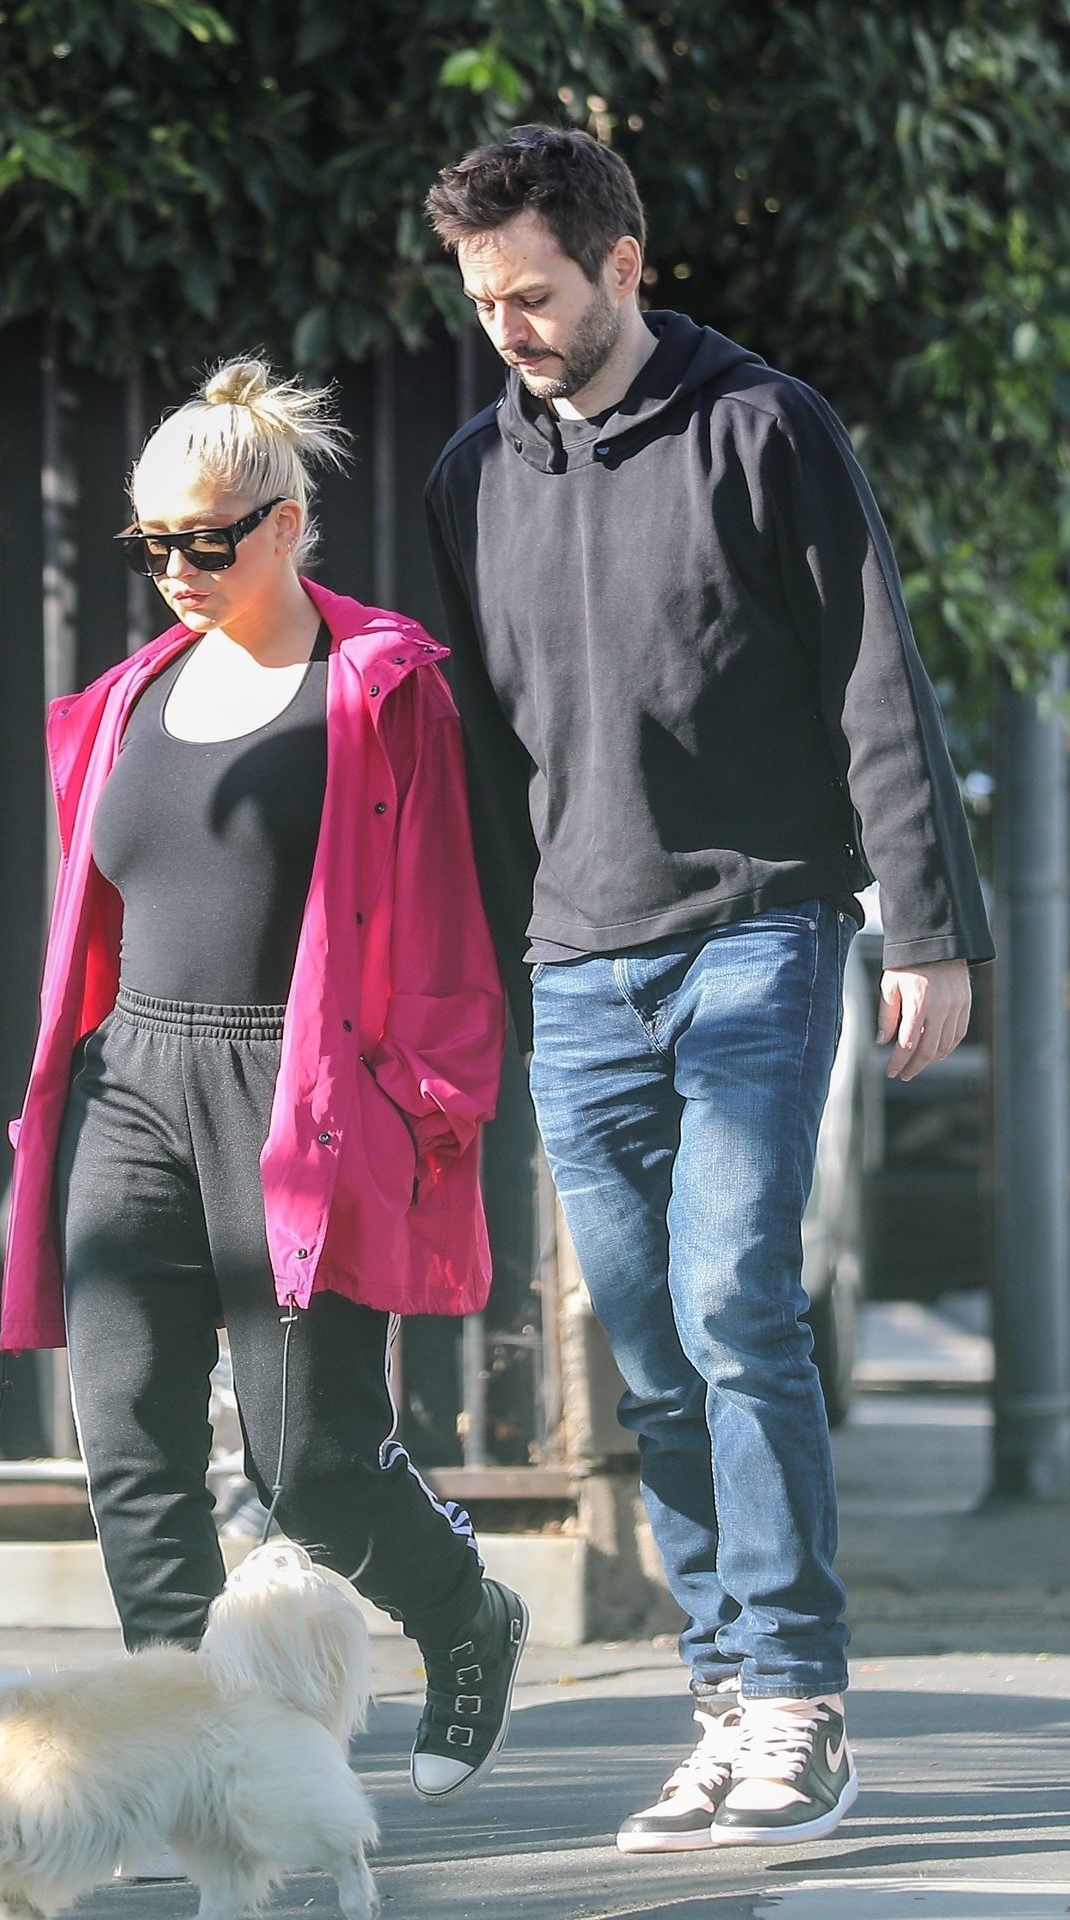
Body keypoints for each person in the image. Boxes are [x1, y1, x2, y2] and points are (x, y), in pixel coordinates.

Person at [423, 125, 992, 1851]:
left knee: (737, 1301)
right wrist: (490, 978)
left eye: (534, 294)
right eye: (484, 302)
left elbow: (876, 675)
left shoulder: (764, 426)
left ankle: (801, 1699)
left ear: (624, 263)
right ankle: (725, 1697)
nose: (510, 327)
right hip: (578, 967)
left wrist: (928, 927)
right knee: (655, 1357)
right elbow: (484, 755)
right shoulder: (472, 476)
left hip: (760, 930)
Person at [0, 357, 528, 1819]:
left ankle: (464, 1616)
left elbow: (448, 917)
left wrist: (426, 1109)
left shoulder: (384, 691)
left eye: (208, 540)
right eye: (152, 543)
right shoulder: (131, 698)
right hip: (131, 1082)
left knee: (313, 1465)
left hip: (300, 1095)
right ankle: (192, 1763)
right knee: (130, 1441)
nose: (177, 570)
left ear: (288, 525)